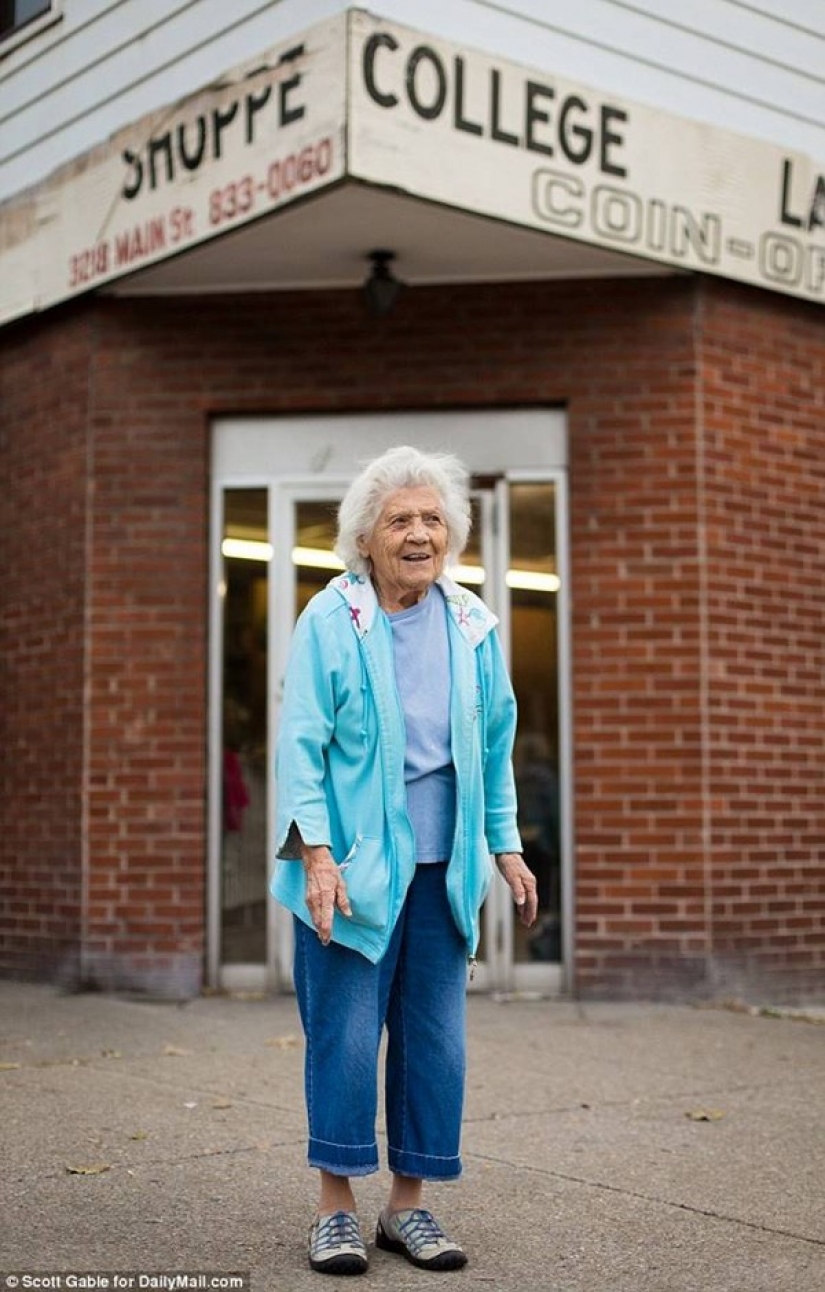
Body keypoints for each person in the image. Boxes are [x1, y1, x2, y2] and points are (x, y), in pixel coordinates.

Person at [271, 445, 538, 1276]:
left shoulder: (472, 624)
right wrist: (315, 853)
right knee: (345, 1038)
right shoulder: (331, 618)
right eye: (400, 521)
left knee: (434, 1043)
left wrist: (505, 843)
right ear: (366, 538)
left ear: (450, 535)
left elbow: (492, 748)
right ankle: (334, 1210)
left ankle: (408, 1208)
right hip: (349, 872)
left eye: (431, 520)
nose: (418, 534)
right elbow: (300, 744)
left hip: (442, 870)